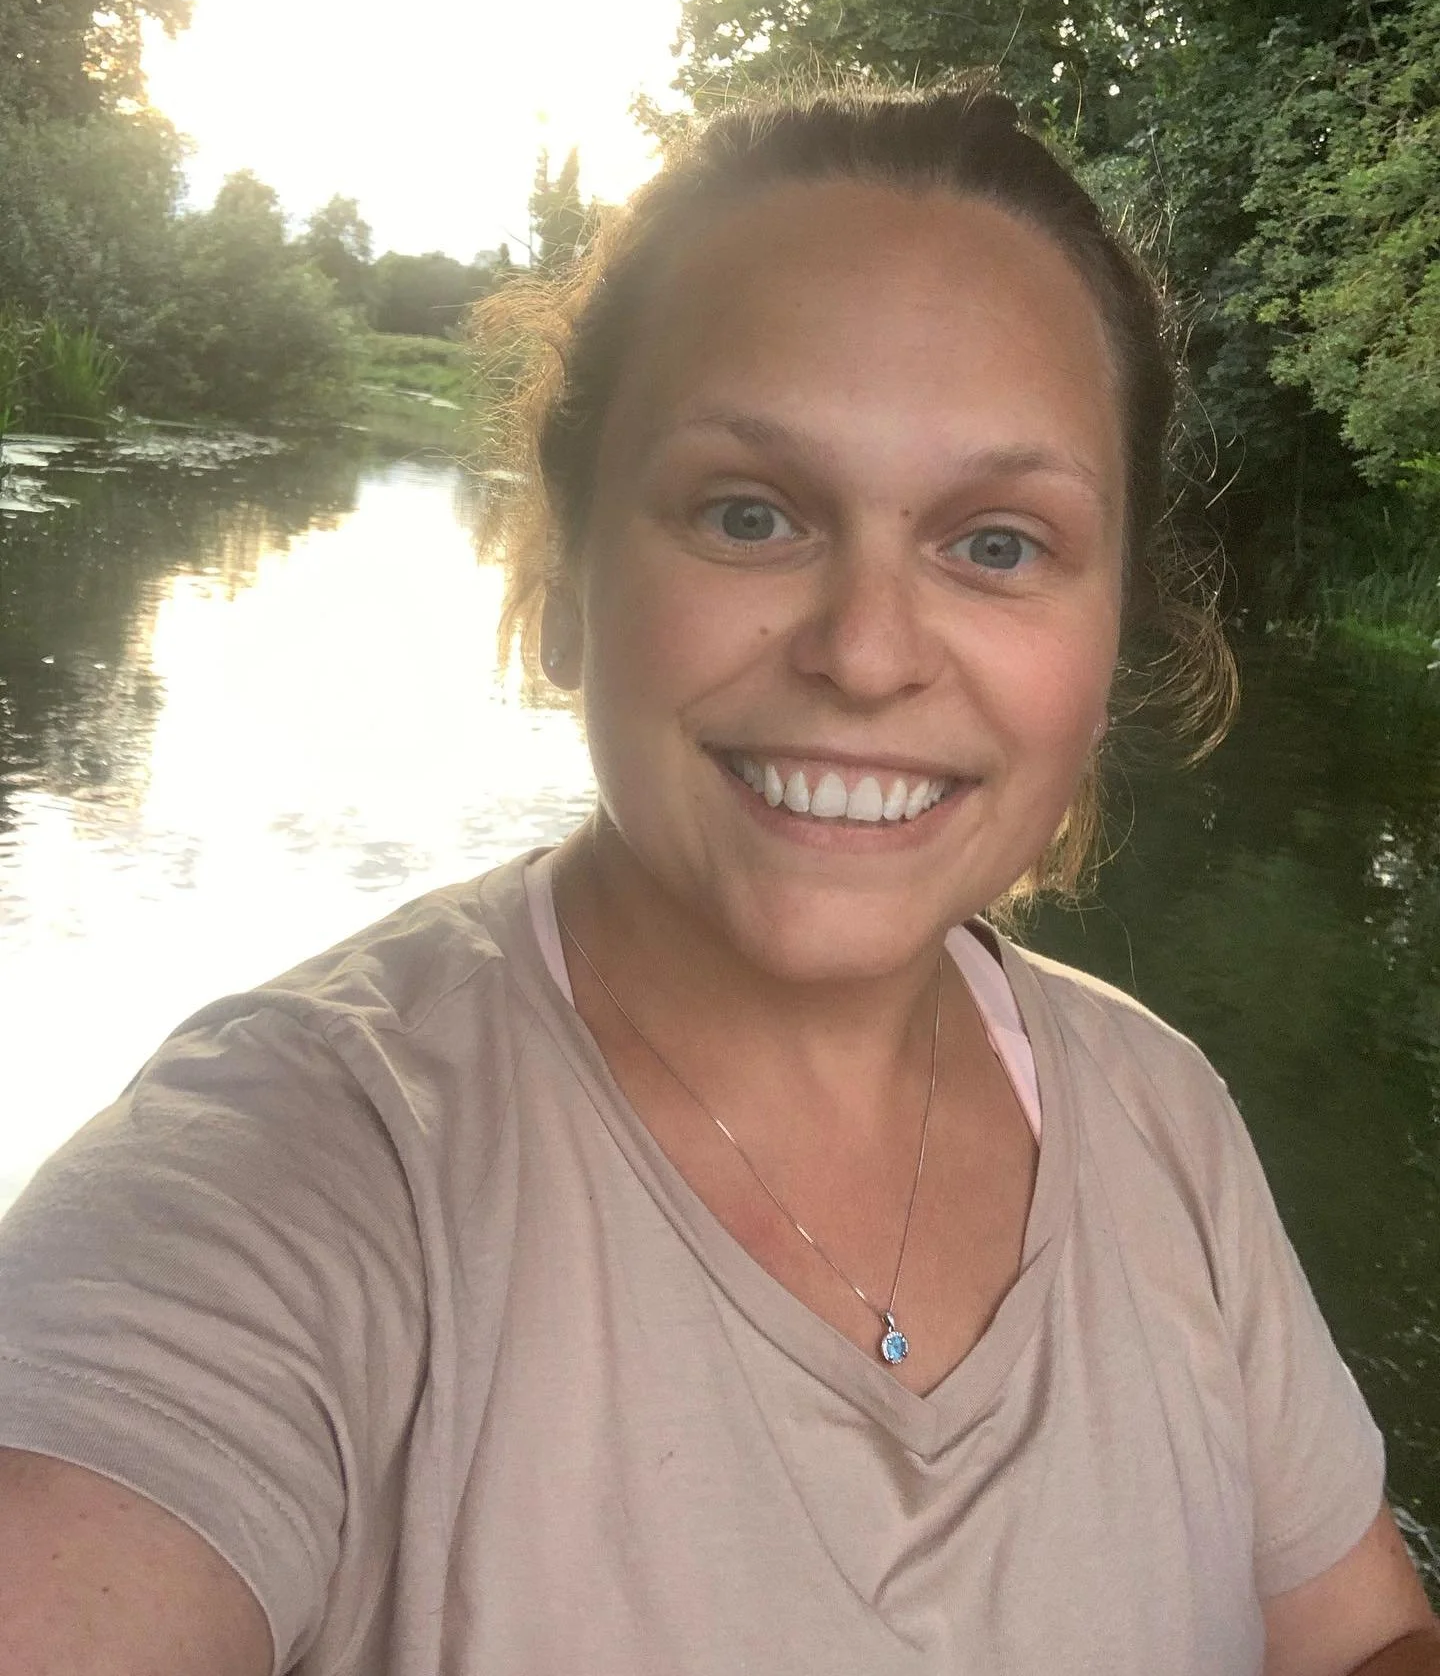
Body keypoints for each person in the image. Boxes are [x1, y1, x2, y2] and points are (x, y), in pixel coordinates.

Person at [1, 82, 1436, 1676]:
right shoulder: (291, 1173)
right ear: (561, 579)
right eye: (750, 514)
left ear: (1111, 644)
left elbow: (1363, 1634)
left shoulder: (1166, 1118)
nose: (869, 652)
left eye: (1000, 543)